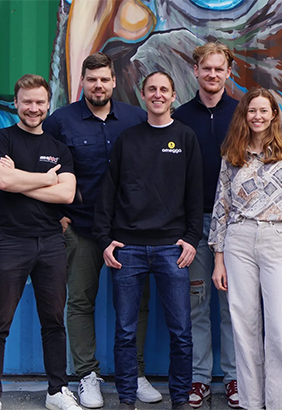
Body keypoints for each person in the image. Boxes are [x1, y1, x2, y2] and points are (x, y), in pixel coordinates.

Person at [43, 52, 160, 408]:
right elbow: (44, 169)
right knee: (80, 301)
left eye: (104, 79)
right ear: (83, 82)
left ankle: (134, 372)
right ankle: (86, 375)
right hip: (80, 227)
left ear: (114, 81)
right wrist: (56, 215)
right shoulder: (60, 122)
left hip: (128, 231)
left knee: (136, 305)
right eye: (92, 79)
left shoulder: (135, 118)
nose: (98, 85)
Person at [93, 71, 203, 410]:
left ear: (173, 96)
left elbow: (195, 194)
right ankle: (127, 398)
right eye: (152, 89)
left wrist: (191, 238)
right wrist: (105, 240)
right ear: (143, 95)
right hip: (128, 249)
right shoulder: (127, 139)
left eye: (164, 90)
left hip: (173, 249)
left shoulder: (185, 137)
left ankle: (180, 398)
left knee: (181, 331)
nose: (158, 95)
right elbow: (108, 192)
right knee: (125, 331)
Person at [208, 88, 282, 410]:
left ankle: (281, 404)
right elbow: (221, 207)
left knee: (280, 329)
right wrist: (218, 259)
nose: (258, 116)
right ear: (244, 115)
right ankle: (251, 404)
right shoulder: (232, 155)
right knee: (244, 327)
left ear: (273, 115)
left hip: (278, 238)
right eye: (252, 110)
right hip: (238, 240)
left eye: (264, 110)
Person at [0, 74, 79, 410]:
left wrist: (21, 181)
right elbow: (3, 181)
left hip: (50, 243)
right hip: (9, 240)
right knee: (1, 322)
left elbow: (66, 193)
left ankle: (56, 391)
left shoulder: (59, 148)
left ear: (49, 104)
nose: (33, 108)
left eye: (39, 102)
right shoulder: (3, 139)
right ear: (16, 103)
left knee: (53, 321)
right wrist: (46, 180)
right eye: (27, 102)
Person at [172, 42, 240, 409]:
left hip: (236, 225)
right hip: (194, 225)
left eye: (219, 68)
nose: (212, 74)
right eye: (206, 68)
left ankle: (234, 378)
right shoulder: (180, 117)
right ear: (195, 71)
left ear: (229, 72)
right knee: (196, 303)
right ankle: (198, 378)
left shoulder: (243, 114)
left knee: (233, 305)